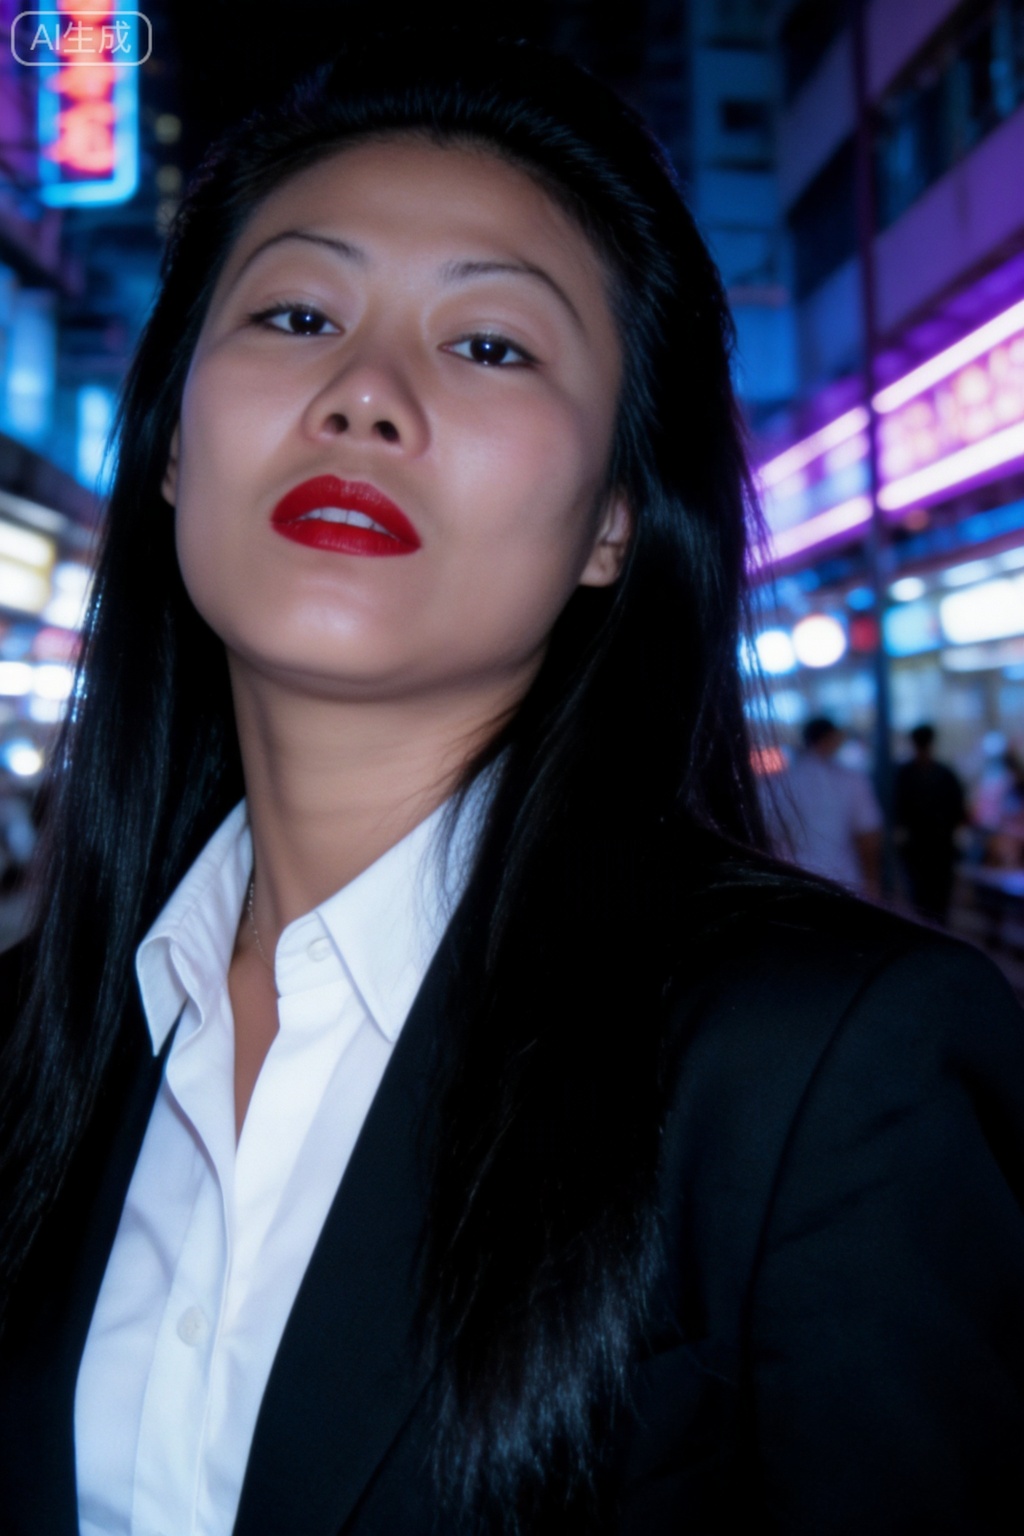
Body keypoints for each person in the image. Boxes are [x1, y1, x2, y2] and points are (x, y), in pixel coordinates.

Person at [0, 25, 1022, 1536]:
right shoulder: (37, 1037)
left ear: (615, 519)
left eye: (490, 345)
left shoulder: (824, 1070)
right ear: (168, 451)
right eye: (296, 313)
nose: (363, 395)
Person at [767, 715, 883, 898]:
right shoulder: (851, 780)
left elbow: (770, 833)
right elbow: (868, 834)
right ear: (830, 738)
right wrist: (872, 883)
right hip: (844, 881)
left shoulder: (778, 783)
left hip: (793, 882)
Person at [893, 723, 968, 924]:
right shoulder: (943, 773)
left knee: (921, 900)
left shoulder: (905, 774)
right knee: (937, 902)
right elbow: (960, 812)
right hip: (938, 849)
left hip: (919, 848)